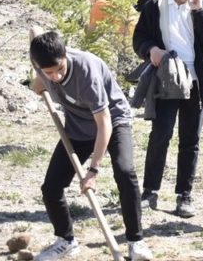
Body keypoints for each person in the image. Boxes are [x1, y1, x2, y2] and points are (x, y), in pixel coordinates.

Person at [28, 31, 154, 261]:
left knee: (125, 172)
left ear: (65, 55)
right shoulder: (41, 63)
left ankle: (136, 243)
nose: (55, 76)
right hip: (78, 127)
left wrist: (93, 170)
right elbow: (40, 74)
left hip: (113, 122)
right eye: (49, 73)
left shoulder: (86, 72)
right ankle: (66, 241)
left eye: (60, 69)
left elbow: (104, 122)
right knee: (51, 187)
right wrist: (39, 83)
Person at [133, 0, 203, 218]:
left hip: (196, 82)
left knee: (190, 139)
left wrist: (200, 13)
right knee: (160, 134)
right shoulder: (156, 6)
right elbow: (139, 37)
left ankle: (184, 195)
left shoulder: (201, 6)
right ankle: (150, 191)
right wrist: (151, 50)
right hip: (167, 78)